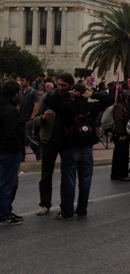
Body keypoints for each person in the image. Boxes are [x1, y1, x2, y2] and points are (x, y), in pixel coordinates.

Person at [44, 83, 111, 219]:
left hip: (69, 147)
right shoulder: (90, 108)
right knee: (85, 181)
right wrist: (94, 95)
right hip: (86, 148)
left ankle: (67, 212)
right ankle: (82, 210)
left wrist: (67, 94)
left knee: (69, 181)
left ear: (73, 94)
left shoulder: (66, 108)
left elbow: (49, 100)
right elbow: (110, 100)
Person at [33, 73, 74, 215]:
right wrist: (43, 117)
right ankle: (45, 204)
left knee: (67, 175)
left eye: (64, 86)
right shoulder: (47, 97)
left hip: (67, 141)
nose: (61, 88)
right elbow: (35, 119)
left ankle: (66, 205)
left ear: (70, 86)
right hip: (49, 140)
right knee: (46, 174)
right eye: (59, 84)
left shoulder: (72, 98)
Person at [0, 80, 24, 226]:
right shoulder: (10, 110)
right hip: (9, 151)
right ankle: (3, 214)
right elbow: (11, 133)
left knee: (9, 182)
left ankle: (6, 211)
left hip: (4, 150)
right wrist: (19, 147)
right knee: (7, 183)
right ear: (16, 94)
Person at [18, 75, 41, 162]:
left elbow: (36, 105)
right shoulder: (21, 93)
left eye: (23, 80)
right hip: (21, 118)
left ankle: (38, 153)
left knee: (29, 138)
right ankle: (22, 156)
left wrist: (32, 117)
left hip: (28, 118)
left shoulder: (33, 92)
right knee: (21, 139)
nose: (21, 82)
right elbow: (19, 105)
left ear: (28, 82)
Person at [110, 92, 130, 181]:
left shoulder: (122, 107)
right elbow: (119, 121)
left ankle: (116, 174)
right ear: (127, 98)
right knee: (122, 154)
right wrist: (122, 134)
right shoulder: (121, 107)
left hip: (120, 134)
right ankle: (122, 174)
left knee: (119, 154)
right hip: (120, 135)